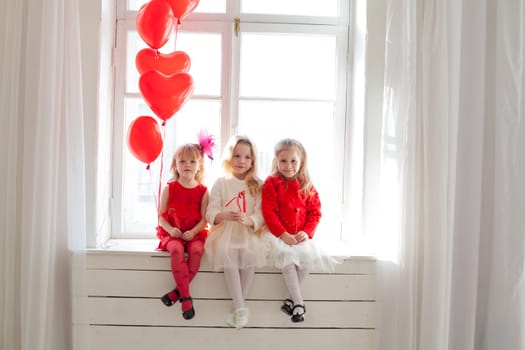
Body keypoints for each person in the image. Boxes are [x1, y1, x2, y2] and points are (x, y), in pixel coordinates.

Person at [262, 138, 340, 323]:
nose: (288, 166)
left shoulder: (306, 184)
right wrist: (282, 234)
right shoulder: (272, 183)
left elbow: (315, 213)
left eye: (293, 161)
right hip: (279, 236)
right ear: (276, 161)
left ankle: (292, 301)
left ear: (301, 162)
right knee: (288, 261)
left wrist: (307, 231)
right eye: (283, 161)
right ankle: (299, 303)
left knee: (308, 260)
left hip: (300, 236)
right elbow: (268, 212)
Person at [204, 136, 268, 329]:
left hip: (249, 232)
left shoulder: (257, 184)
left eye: (247, 157)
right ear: (228, 158)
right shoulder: (221, 182)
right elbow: (210, 212)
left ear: (253, 161)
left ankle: (238, 308)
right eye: (237, 156)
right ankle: (240, 307)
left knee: (250, 257)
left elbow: (261, 214)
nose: (241, 161)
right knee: (228, 253)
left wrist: (250, 220)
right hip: (225, 231)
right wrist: (221, 215)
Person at [156, 142, 209, 320]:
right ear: (175, 165)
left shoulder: (203, 191)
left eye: (192, 162)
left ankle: (175, 293)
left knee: (196, 250)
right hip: (173, 234)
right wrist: (171, 229)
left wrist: (193, 232)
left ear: (199, 165)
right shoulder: (169, 188)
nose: (187, 165)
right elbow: (161, 217)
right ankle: (185, 298)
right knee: (177, 250)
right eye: (183, 161)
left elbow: (204, 219)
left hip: (193, 233)